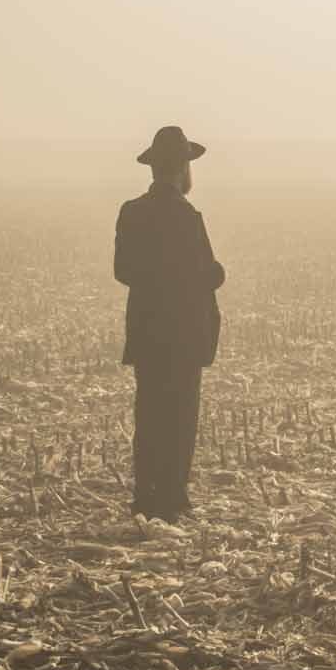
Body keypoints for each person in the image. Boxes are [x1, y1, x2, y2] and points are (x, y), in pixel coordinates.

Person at [114, 126, 225, 521]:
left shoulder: (131, 212)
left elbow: (123, 271)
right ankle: (173, 498)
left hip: (146, 330)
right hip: (182, 332)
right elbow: (206, 273)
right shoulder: (186, 215)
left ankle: (144, 496)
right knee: (180, 416)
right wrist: (214, 273)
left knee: (149, 414)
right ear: (182, 168)